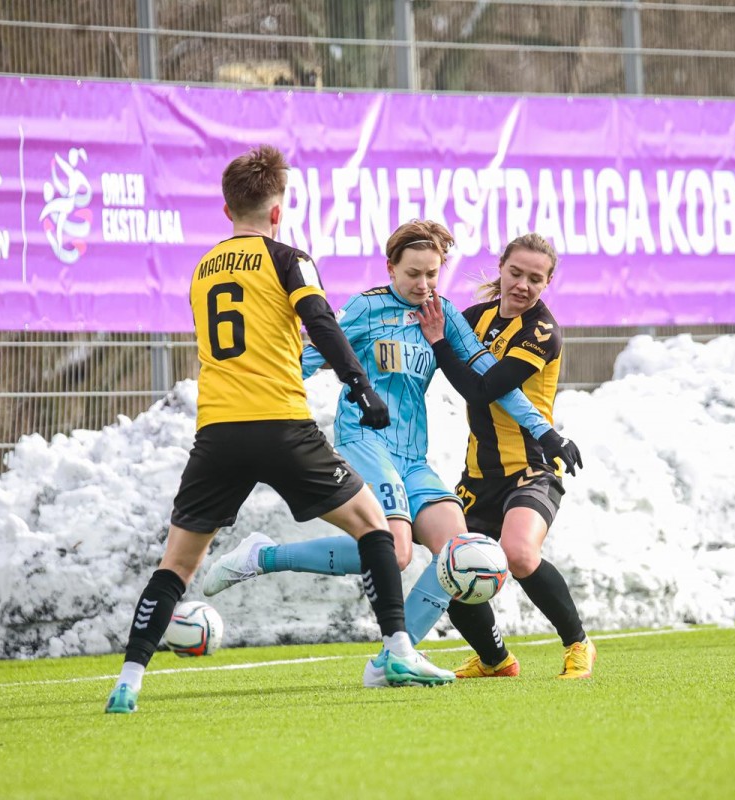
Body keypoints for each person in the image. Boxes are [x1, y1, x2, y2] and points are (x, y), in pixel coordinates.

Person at [104, 146, 454, 714]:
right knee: (375, 528)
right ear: (277, 212)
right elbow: (320, 322)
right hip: (280, 425)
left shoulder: (202, 269)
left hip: (217, 434)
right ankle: (397, 651)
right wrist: (360, 385)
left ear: (226, 210)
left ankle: (128, 681)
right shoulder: (290, 258)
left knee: (177, 565)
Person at [200, 220, 580, 688]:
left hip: (412, 457)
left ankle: (392, 659)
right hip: (365, 441)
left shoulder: (442, 314)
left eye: (432, 275)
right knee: (396, 550)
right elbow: (306, 359)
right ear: (390, 268)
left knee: (458, 550)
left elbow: (490, 377)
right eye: (413, 274)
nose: (423, 285)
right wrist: (251, 401)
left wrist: (546, 432)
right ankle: (265, 556)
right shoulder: (365, 307)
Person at [414, 232, 595, 679]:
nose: (523, 285)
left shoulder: (541, 331)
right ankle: (495, 661)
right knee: (452, 567)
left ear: (547, 283)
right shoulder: (474, 318)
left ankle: (578, 644)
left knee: (518, 553)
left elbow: (483, 389)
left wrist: (440, 344)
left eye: (535, 278)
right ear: (501, 268)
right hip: (479, 474)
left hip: (532, 468)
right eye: (516, 273)